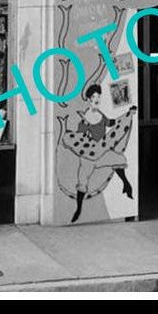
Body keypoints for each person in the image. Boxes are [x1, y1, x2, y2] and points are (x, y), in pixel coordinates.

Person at [59, 84, 135, 223]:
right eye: (94, 97)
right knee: (83, 180)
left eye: (98, 97)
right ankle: (79, 209)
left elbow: (111, 123)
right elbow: (80, 136)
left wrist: (127, 113)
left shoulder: (100, 115)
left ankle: (126, 185)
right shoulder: (85, 118)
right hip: (88, 156)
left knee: (118, 159)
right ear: (88, 99)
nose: (97, 99)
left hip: (102, 149)